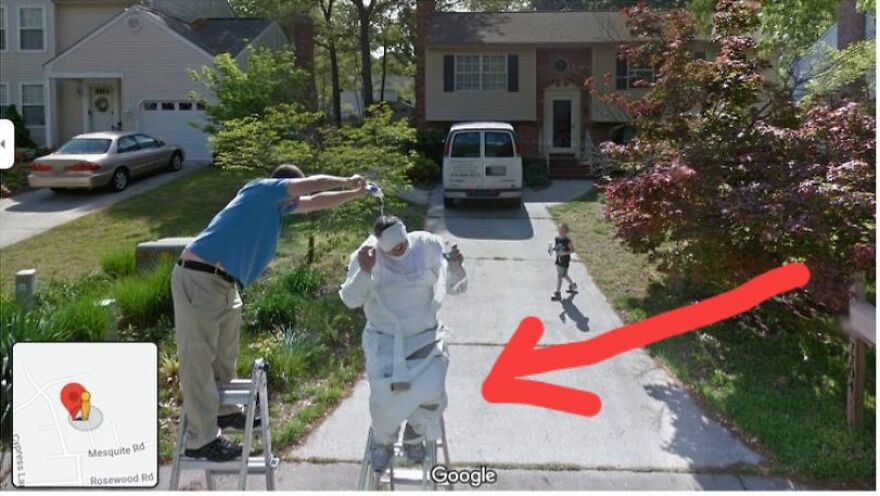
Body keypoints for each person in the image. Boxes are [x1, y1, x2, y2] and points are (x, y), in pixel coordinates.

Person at [172, 164, 369, 462]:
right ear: (284, 186)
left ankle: (225, 413)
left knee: (225, 357)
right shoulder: (261, 189)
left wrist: (353, 194)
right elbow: (311, 187)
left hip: (225, 285)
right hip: (200, 276)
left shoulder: (277, 209)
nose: (295, 202)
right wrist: (346, 177)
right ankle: (200, 440)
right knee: (198, 359)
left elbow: (315, 201)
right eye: (293, 193)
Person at [339, 216, 467, 474]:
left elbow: (457, 288)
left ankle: (415, 433)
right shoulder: (366, 255)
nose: (400, 249)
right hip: (385, 339)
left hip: (426, 335)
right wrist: (364, 272)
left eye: (403, 243)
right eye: (393, 247)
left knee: (432, 389)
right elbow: (350, 300)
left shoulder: (427, 245)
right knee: (385, 393)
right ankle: (383, 439)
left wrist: (455, 266)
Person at [551, 223, 577, 301]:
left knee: (559, 276)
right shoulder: (557, 238)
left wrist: (564, 253)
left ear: (566, 231)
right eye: (560, 230)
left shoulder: (567, 241)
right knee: (564, 275)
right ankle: (573, 285)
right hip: (558, 259)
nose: (561, 232)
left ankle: (557, 293)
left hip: (565, 260)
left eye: (563, 230)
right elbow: (557, 247)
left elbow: (573, 250)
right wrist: (553, 249)